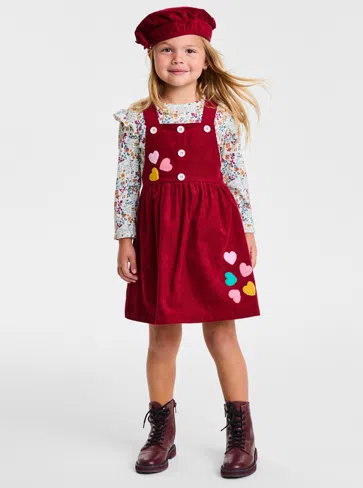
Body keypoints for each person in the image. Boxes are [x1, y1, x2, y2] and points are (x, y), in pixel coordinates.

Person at [113, 6, 268, 479]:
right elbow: (127, 182)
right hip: (159, 235)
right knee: (162, 336)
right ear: (152, 57)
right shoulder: (137, 120)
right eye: (167, 50)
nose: (178, 58)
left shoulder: (221, 118)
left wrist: (247, 230)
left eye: (189, 50)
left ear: (205, 58)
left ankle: (241, 434)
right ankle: (162, 430)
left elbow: (236, 178)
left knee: (222, 333)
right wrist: (125, 238)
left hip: (216, 233)